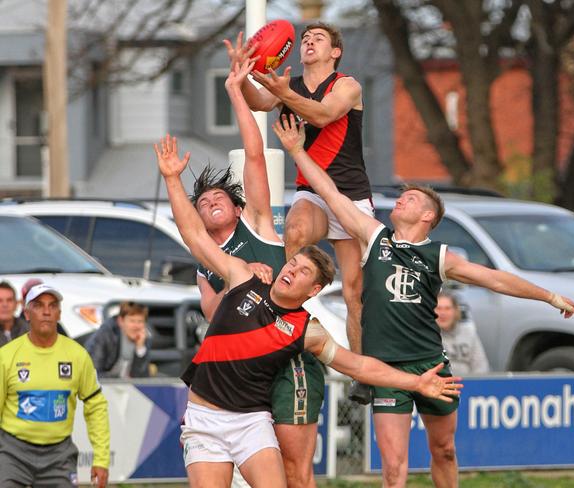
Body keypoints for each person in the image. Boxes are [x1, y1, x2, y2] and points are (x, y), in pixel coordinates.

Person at [273, 114, 574, 488]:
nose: (401, 200)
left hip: (430, 364)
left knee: (445, 449)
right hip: (386, 368)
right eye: (402, 196)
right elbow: (332, 194)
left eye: (411, 198)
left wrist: (549, 296)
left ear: (428, 215)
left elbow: (495, 278)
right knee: (393, 469)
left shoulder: (438, 255)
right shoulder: (375, 237)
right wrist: (297, 151)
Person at [154, 134, 463, 488]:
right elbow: (194, 236)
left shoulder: (306, 330)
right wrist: (172, 179)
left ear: (313, 290)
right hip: (205, 417)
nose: (291, 271)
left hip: (252, 422)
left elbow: (359, 365)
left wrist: (417, 382)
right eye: (293, 264)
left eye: (303, 272)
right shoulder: (241, 277)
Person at [190, 59, 325, 488]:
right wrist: (241, 275)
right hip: (241, 375)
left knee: (294, 472)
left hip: (289, 356)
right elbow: (214, 318)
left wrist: (235, 89)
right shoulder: (206, 262)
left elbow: (253, 152)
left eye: (218, 196)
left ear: (236, 206)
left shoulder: (258, 223)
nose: (210, 201)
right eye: (202, 201)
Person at [225, 23, 374, 404]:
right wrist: (241, 75)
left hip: (350, 197)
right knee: (294, 231)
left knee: (355, 292)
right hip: (314, 193)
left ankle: (362, 371)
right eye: (305, 38)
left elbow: (324, 115)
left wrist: (282, 92)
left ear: (335, 52)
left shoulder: (347, 85)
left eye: (319, 38)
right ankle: (291, 323)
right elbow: (259, 102)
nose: (309, 41)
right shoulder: (289, 86)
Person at [0, 283, 110, 487]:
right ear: (26, 313)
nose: (46, 312)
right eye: (39, 305)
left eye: (52, 306)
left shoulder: (77, 355)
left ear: (59, 313)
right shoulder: (6, 356)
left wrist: (102, 459)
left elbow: (96, 406)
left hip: (59, 455)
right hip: (12, 453)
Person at [85, 301, 152, 378]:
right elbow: (92, 374)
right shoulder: (105, 335)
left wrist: (140, 349)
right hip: (106, 384)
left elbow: (141, 379)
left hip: (126, 386)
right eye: (132, 321)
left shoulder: (145, 337)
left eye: (140, 321)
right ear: (121, 321)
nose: (136, 326)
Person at [435, 291, 489, 375]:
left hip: (468, 383)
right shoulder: (425, 335)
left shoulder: (469, 332)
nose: (443, 313)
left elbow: (481, 367)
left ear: (456, 311)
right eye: (438, 308)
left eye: (447, 308)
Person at [0, 281, 29, 347]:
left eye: (9, 300)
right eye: (0, 300)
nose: (5, 305)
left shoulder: (29, 331)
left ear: (16, 304)